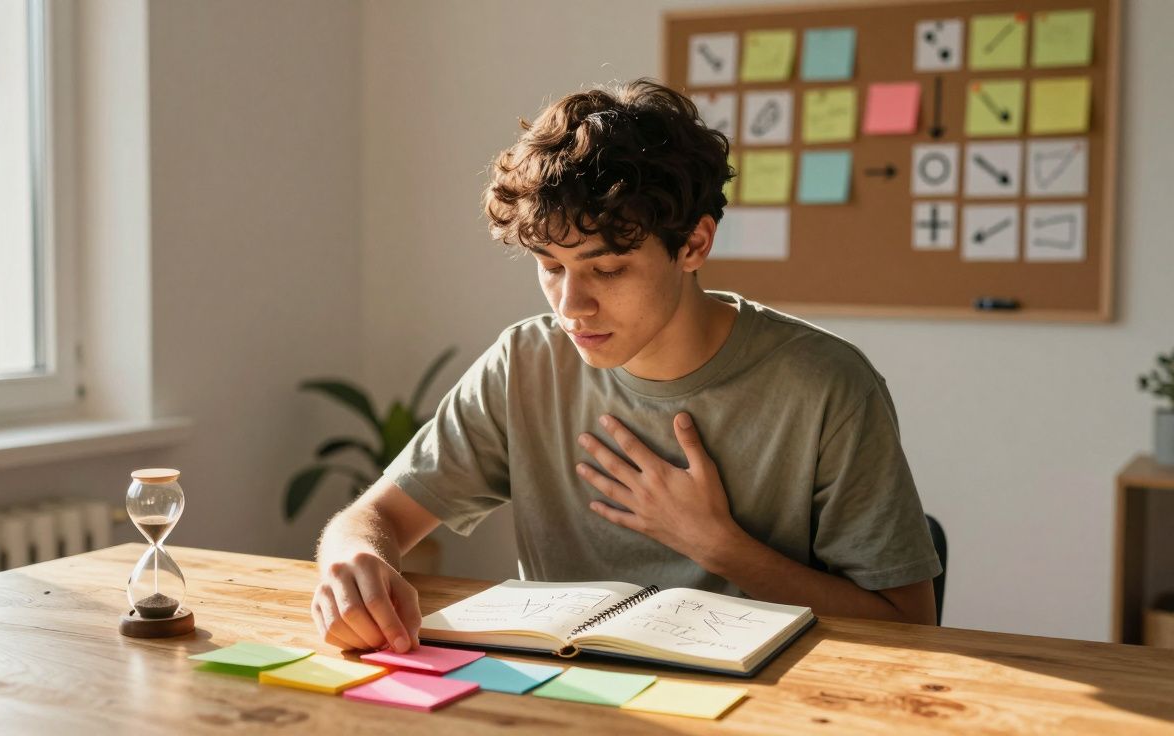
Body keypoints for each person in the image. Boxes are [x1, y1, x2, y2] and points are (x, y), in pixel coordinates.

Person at [311, 79, 941, 654]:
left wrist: (721, 547)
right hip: (561, 702)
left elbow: (912, 625)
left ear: (693, 244)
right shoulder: (526, 363)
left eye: (607, 269)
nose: (570, 306)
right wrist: (355, 561)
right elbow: (374, 517)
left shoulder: (826, 383)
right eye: (551, 267)